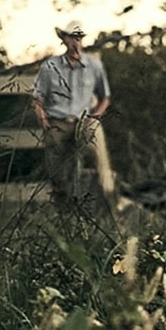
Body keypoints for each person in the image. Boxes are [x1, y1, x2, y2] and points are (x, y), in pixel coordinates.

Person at [30, 18, 115, 214]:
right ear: (64, 39)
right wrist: (44, 122)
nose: (75, 42)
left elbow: (105, 97)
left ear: (82, 40)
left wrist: (95, 117)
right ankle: (65, 213)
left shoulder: (94, 66)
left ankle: (109, 205)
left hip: (84, 121)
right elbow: (37, 99)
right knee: (58, 173)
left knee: (99, 158)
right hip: (58, 122)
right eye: (71, 37)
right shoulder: (50, 66)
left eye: (78, 37)